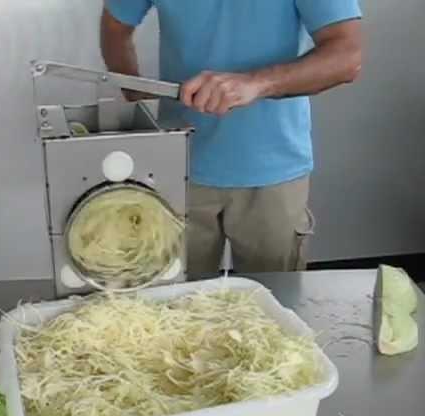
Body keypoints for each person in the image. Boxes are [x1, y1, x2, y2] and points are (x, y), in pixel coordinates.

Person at [101, 0, 362, 278]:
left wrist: (257, 83)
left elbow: (346, 55)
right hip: (178, 166)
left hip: (272, 169)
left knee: (272, 307)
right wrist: (138, 99)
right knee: (173, 308)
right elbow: (114, 26)